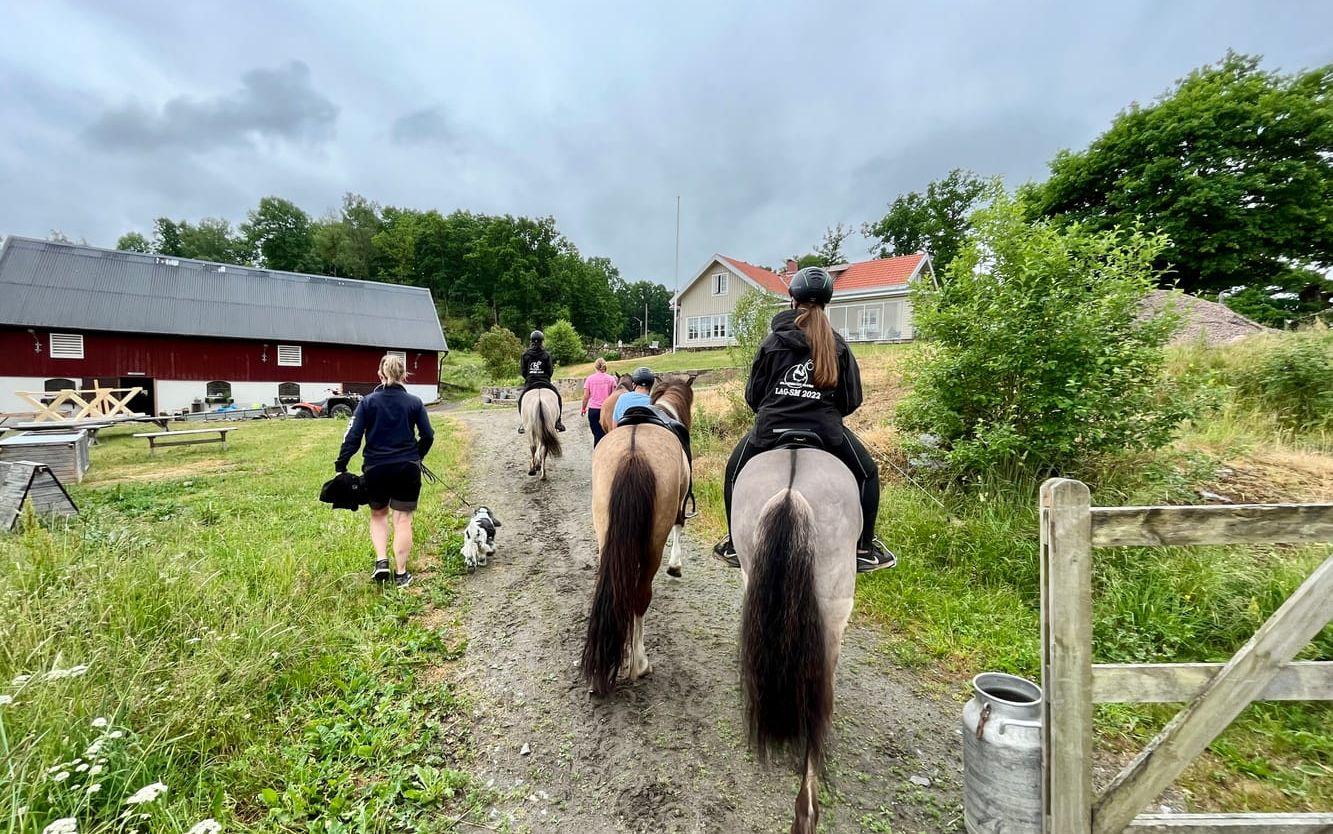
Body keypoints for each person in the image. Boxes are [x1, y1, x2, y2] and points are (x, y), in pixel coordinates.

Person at [713, 267, 895, 573]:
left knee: (733, 472)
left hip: (771, 428)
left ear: (792, 298)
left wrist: (780, 403)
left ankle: (733, 542)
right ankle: (864, 547)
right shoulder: (837, 344)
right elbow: (851, 400)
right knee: (868, 474)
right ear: (827, 302)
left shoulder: (772, 341)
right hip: (825, 430)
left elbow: (753, 396)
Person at [335, 353, 434, 588]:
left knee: (378, 515)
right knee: (403, 520)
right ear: (404, 375)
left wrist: (341, 464)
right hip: (406, 468)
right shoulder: (414, 402)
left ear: (380, 374)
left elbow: (353, 437)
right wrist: (416, 456)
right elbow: (428, 435)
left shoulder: (367, 402)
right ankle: (401, 574)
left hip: (376, 468)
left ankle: (381, 562)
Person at [517, 330, 566, 433]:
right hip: (545, 383)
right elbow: (550, 371)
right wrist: (544, 377)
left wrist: (530, 377)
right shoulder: (546, 355)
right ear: (542, 341)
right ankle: (558, 422)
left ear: (531, 341)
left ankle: (523, 422)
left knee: (521, 400)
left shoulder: (525, 355)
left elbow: (523, 371)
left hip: (530, 383)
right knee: (558, 397)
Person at [581, 358, 618, 446]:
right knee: (608, 435)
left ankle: (597, 454)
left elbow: (586, 397)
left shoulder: (589, 379)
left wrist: (583, 408)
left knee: (597, 435)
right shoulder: (611, 379)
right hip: (607, 411)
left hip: (594, 410)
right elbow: (614, 396)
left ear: (595, 367)